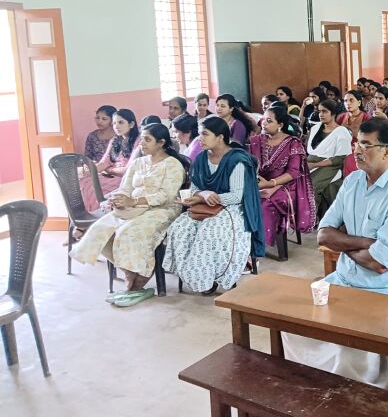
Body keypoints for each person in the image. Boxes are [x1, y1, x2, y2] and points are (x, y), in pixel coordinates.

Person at [284, 119, 388, 394]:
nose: (357, 150)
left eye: (366, 145)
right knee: (293, 326)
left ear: (387, 151)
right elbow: (323, 235)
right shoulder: (353, 181)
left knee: (352, 346)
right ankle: (323, 389)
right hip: (345, 279)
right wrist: (369, 244)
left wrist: (348, 245)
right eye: (357, 143)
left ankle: (362, 400)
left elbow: (379, 263)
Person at [71, 124, 187, 307]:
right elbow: (125, 188)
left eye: (147, 140)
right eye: (142, 139)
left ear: (161, 143)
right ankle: (131, 280)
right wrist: (116, 199)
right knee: (100, 230)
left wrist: (135, 201)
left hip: (162, 210)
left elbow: (166, 195)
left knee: (128, 232)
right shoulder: (138, 163)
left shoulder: (172, 165)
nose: (142, 143)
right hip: (131, 208)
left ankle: (138, 283)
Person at [162, 116, 264, 294]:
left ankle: (220, 276)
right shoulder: (201, 158)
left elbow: (236, 196)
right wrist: (199, 195)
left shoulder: (237, 160)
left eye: (205, 134)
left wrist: (206, 197)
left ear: (221, 137)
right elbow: (195, 188)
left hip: (234, 207)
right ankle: (200, 278)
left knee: (211, 230)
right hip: (206, 206)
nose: (199, 139)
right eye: (200, 134)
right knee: (180, 227)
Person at [249, 104, 315, 255]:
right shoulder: (256, 141)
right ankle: (244, 242)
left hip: (287, 186)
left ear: (280, 125)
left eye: (269, 121)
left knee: (266, 204)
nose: (264, 123)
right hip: (260, 183)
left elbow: (293, 172)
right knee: (245, 201)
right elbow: (250, 165)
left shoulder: (293, 143)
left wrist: (271, 185)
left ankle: (259, 246)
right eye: (264, 119)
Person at [79, 108, 140, 212]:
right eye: (114, 123)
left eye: (121, 122)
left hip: (126, 179)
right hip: (112, 176)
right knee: (83, 180)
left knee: (92, 186)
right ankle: (86, 218)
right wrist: (90, 170)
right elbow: (104, 162)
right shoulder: (115, 140)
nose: (116, 126)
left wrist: (109, 170)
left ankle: (97, 216)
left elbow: (128, 170)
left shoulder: (138, 140)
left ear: (131, 124)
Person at [307, 99, 352, 219]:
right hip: (310, 163)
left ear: (333, 113)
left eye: (325, 111)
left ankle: (310, 218)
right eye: (319, 111)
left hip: (330, 166)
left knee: (311, 185)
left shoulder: (341, 132)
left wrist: (315, 165)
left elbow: (340, 158)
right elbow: (309, 151)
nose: (321, 114)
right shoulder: (315, 128)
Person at [337, 90, 371, 177]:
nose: (348, 103)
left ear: (359, 102)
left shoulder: (366, 118)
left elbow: (369, 140)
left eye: (351, 100)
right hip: (341, 149)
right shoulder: (341, 117)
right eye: (345, 101)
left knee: (350, 161)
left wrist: (354, 147)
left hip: (360, 150)